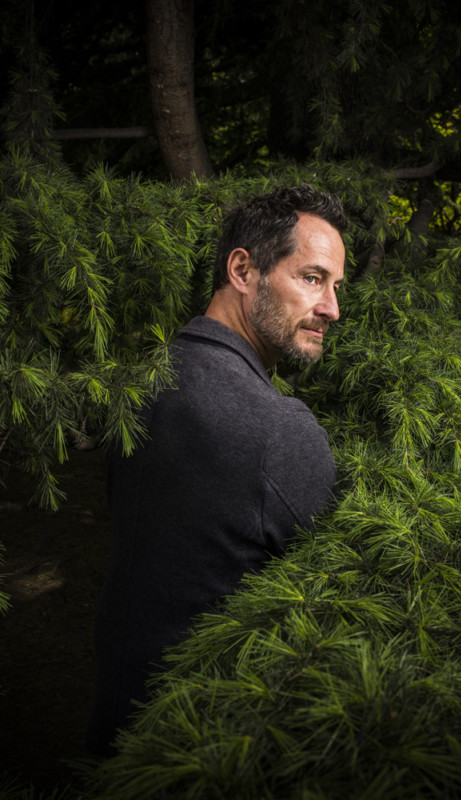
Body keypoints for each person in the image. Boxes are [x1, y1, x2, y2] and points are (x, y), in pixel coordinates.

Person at [86, 184, 346, 757]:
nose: (332, 308)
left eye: (335, 286)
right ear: (242, 269)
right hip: (213, 743)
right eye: (312, 278)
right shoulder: (279, 430)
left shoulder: (145, 383)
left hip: (119, 714)